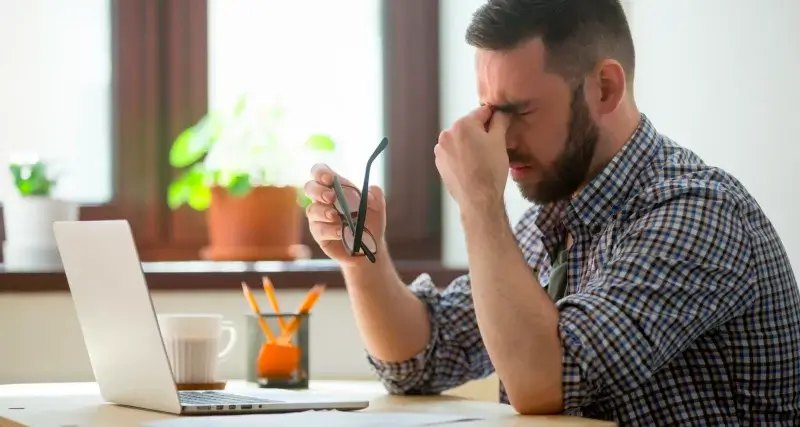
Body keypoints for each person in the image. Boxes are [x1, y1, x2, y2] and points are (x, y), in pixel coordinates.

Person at [302, 0, 800, 424]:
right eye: (489, 111)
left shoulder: (695, 214)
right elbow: (421, 358)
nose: (502, 139)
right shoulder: (550, 220)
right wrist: (362, 259)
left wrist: (479, 200)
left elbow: (546, 383)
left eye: (521, 111)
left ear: (604, 88)